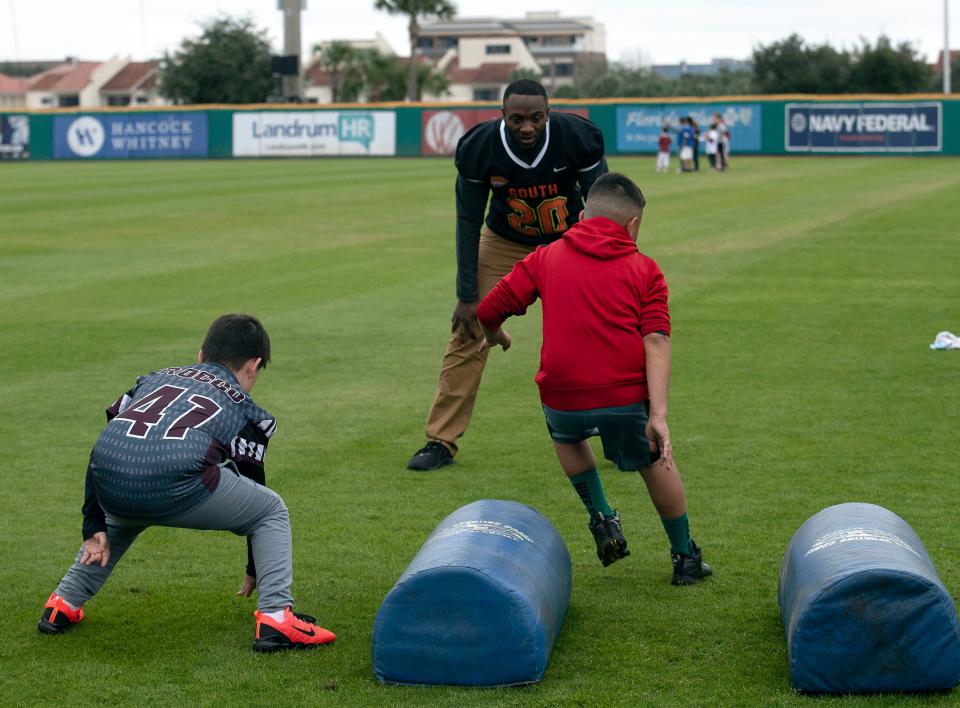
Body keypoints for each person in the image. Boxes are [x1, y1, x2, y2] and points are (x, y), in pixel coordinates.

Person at [37, 314, 336, 652]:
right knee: (271, 510)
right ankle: (276, 617)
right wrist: (256, 568)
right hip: (175, 483)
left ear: (200, 354)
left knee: (127, 506)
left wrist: (93, 524)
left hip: (111, 481)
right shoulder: (244, 406)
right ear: (253, 366)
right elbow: (255, 485)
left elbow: (105, 447)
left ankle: (62, 603)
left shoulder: (152, 379)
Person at [476, 173, 712, 585]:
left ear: (582, 215)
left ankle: (602, 518)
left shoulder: (546, 256)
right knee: (654, 462)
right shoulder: (645, 269)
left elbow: (489, 308)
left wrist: (497, 335)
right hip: (624, 396)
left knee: (567, 437)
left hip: (562, 396)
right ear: (633, 225)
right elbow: (655, 340)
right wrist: (658, 415)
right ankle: (685, 558)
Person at [407, 79, 608, 471]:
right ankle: (441, 441)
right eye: (517, 119)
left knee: (601, 327)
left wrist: (603, 268)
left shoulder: (577, 138)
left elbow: (601, 207)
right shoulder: (481, 147)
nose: (527, 127)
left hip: (567, 241)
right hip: (504, 241)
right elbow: (468, 220)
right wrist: (468, 296)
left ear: (548, 114)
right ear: (502, 116)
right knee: (466, 331)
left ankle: (621, 433)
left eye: (536, 118)